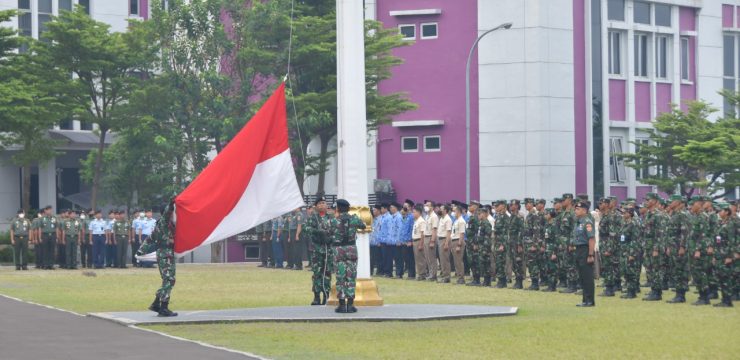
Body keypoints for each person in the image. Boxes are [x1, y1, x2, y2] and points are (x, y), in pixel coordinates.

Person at [137, 200, 178, 317]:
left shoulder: (159, 224)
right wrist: (172, 203)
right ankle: (163, 307)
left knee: (167, 280)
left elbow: (150, 238)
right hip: (166, 254)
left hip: (163, 253)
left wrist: (141, 250)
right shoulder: (164, 221)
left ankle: (156, 304)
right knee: (170, 280)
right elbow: (167, 211)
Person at [332, 198, 366, 313]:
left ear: (338, 208)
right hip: (351, 249)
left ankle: (342, 305)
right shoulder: (354, 219)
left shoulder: (334, 221)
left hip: (339, 250)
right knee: (351, 276)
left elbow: (326, 230)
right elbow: (363, 226)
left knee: (340, 276)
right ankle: (350, 305)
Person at [305, 197, 333, 306]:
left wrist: (330, 238)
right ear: (316, 206)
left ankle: (326, 296)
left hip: (327, 249)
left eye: (324, 203)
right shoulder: (313, 218)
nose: (322, 205)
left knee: (327, 273)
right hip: (317, 249)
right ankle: (316, 296)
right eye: (320, 203)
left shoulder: (331, 218)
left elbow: (336, 230)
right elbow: (305, 229)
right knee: (317, 273)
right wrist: (317, 232)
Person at [666, 195, 691, 303]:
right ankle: (678, 293)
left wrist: (682, 247)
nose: (670, 203)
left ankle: (681, 295)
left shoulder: (682, 215)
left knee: (681, 270)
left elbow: (685, 233)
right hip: (673, 247)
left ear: (678, 202)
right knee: (675, 270)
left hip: (678, 247)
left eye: (672, 201)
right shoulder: (674, 215)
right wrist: (668, 246)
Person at [573, 200, 596, 307]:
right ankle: (585, 299)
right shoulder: (578, 222)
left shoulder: (587, 222)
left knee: (587, 276)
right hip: (578, 249)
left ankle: (590, 300)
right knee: (582, 276)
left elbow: (591, 239)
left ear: (584, 210)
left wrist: (590, 255)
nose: (575, 211)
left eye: (578, 209)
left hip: (586, 249)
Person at [713, 203, 736, 307]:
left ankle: (728, 301)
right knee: (721, 278)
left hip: (726, 255)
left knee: (726, 278)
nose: (719, 212)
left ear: (727, 211)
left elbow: (732, 241)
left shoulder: (730, 224)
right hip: (719, 255)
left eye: (721, 210)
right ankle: (724, 300)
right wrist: (714, 255)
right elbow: (718, 240)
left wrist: (729, 256)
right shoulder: (721, 223)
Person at [619, 207, 641, 299]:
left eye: (625, 213)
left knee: (631, 271)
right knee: (625, 271)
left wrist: (632, 254)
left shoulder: (633, 224)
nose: (623, 214)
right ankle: (629, 290)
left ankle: (632, 292)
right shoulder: (625, 223)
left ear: (630, 213)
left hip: (630, 250)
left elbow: (635, 240)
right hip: (624, 250)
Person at [559, 194, 578, 293]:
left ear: (569, 200)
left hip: (569, 243)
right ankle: (569, 283)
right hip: (563, 243)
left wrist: (571, 243)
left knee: (571, 264)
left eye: (564, 200)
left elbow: (574, 229)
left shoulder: (572, 213)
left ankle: (573, 285)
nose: (562, 202)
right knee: (566, 263)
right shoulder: (564, 213)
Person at [523, 198, 543, 290]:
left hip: (532, 244)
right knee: (530, 264)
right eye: (525, 204)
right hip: (528, 243)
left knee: (533, 264)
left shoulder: (534, 215)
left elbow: (536, 231)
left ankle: (535, 284)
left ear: (531, 204)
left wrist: (534, 245)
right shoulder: (529, 214)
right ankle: (534, 283)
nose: (526, 205)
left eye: (527, 203)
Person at [472, 208, 493, 287]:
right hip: (481, 246)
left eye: (479, 214)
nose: (478, 216)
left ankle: (488, 281)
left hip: (485, 247)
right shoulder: (481, 223)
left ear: (484, 214)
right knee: (483, 264)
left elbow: (487, 237)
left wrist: (485, 248)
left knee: (486, 264)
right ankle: (485, 280)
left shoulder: (486, 223)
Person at [541, 208, 560, 292]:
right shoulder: (547, 225)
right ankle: (549, 285)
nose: (545, 215)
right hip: (547, 248)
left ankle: (553, 286)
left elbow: (556, 239)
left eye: (546, 214)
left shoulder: (554, 225)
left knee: (553, 268)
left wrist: (554, 252)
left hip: (552, 248)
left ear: (550, 214)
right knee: (548, 267)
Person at [492, 200, 509, 288]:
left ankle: (502, 282)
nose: (496, 207)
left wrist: (502, 244)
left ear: (503, 206)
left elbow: (505, 232)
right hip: (497, 243)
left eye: (498, 206)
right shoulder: (498, 216)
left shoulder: (505, 217)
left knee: (501, 262)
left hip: (502, 243)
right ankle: (501, 281)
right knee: (498, 263)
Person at [450, 204, 467, 284]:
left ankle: (461, 278)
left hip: (458, 241)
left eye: (455, 211)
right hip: (454, 241)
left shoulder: (461, 221)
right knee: (456, 261)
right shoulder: (456, 220)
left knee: (459, 261)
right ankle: (459, 277)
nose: (454, 213)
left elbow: (462, 234)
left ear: (458, 212)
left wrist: (459, 245)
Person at [436, 204, 453, 283]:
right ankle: (444, 275)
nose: (439, 210)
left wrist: (446, 243)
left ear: (445, 210)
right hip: (440, 239)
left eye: (441, 209)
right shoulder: (442, 218)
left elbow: (448, 232)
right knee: (442, 259)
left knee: (445, 259)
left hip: (444, 240)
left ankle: (447, 277)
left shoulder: (448, 219)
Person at [423, 201, 439, 281]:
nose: (425, 206)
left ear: (432, 207)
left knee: (431, 257)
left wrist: (432, 241)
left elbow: (434, 229)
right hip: (426, 237)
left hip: (430, 237)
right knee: (427, 257)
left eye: (428, 205)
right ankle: (430, 273)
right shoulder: (427, 216)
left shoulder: (434, 216)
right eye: (425, 205)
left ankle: (433, 275)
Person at [39, 206, 59, 270]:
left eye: (50, 210)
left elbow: (56, 228)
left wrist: (57, 236)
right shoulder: (42, 218)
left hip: (53, 235)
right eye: (48, 210)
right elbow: (40, 228)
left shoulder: (54, 218)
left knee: (52, 250)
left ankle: (51, 264)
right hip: (45, 235)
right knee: (45, 250)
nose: (50, 211)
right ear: (45, 211)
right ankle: (45, 264)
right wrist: (40, 237)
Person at [412, 205, 428, 281]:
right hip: (415, 241)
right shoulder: (416, 220)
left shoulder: (421, 221)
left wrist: (421, 244)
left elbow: (422, 234)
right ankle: (419, 273)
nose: (413, 213)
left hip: (419, 241)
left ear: (418, 212)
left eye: (414, 212)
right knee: (417, 259)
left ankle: (422, 274)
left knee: (421, 259)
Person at [400, 201, 415, 280]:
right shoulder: (405, 216)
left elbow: (412, 229)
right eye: (403, 206)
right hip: (403, 240)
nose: (404, 208)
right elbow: (402, 229)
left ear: (410, 207)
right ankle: (409, 273)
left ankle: (412, 274)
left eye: (405, 206)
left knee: (410, 258)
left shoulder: (412, 216)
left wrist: (410, 240)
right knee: (406, 258)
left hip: (408, 241)